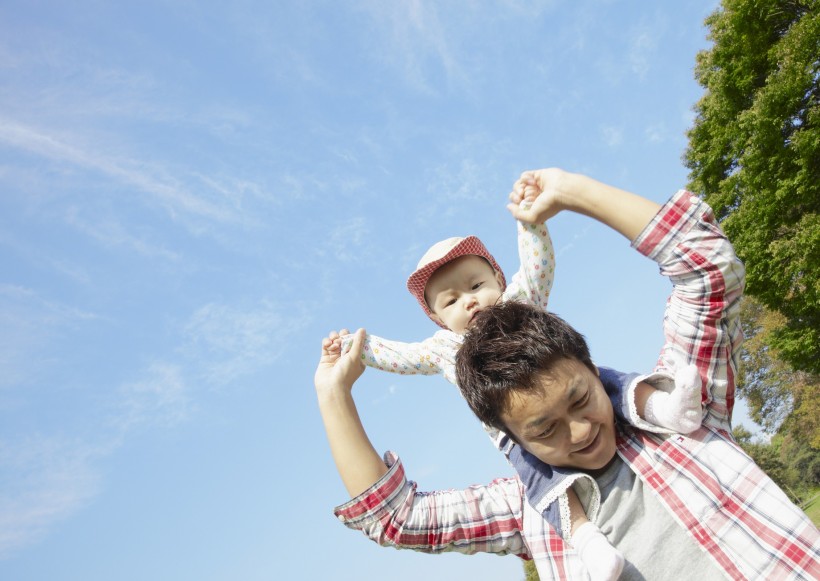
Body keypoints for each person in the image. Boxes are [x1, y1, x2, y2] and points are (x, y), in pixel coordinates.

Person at [315, 168, 820, 579]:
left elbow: (709, 272)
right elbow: (397, 518)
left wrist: (570, 193)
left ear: (588, 366)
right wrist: (334, 393)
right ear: (510, 433)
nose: (580, 433)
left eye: (581, 400)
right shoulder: (531, 510)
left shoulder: (684, 415)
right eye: (544, 430)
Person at [337, 199, 701, 579]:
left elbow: (538, 266)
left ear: (498, 278)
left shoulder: (519, 301)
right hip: (515, 437)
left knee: (607, 384)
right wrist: (357, 347)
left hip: (568, 383)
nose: (471, 300)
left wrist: (530, 224)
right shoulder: (444, 349)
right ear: (437, 318)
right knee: (543, 483)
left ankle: (665, 408)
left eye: (477, 285)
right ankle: (586, 541)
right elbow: (401, 356)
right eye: (452, 301)